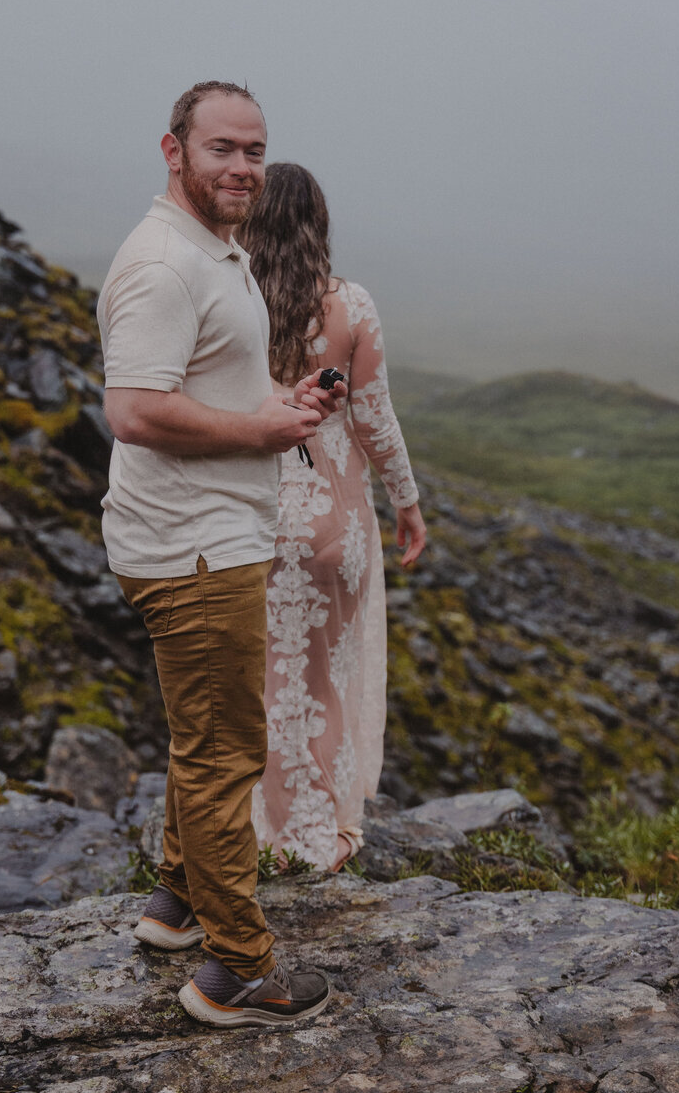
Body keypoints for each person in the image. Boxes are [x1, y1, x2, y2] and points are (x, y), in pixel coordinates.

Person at [97, 84, 345, 1028]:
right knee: (224, 752)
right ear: (174, 150)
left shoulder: (218, 251)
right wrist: (256, 430)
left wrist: (281, 411)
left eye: (255, 150)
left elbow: (197, 382)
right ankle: (238, 970)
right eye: (222, 150)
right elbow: (134, 409)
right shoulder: (165, 264)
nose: (242, 167)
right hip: (192, 549)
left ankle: (177, 902)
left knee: (203, 738)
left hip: (206, 534)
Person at [238, 163, 427, 874]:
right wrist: (407, 505)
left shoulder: (232, 301)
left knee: (257, 679)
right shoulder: (351, 306)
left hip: (248, 517)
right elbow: (376, 421)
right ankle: (318, 836)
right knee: (324, 681)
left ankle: (255, 833)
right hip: (331, 523)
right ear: (319, 223)